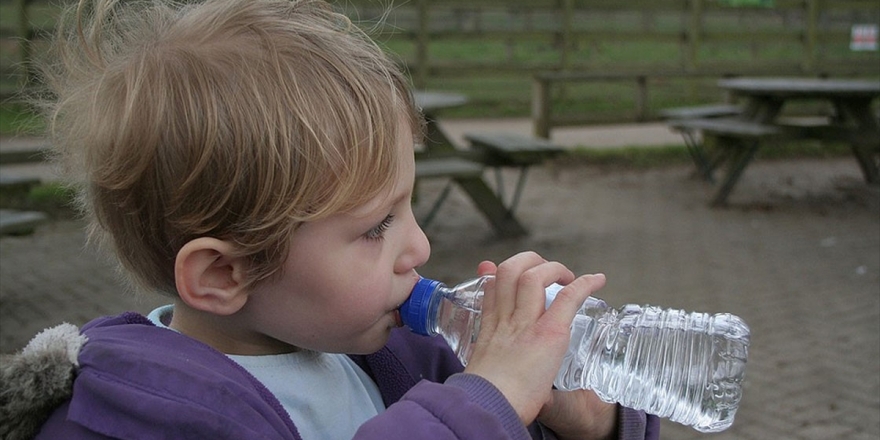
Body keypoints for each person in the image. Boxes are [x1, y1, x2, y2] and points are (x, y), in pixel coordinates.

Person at [1, 0, 660, 439]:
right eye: (377, 227)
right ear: (223, 273)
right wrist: (488, 397)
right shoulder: (138, 410)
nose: (420, 246)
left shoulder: (384, 357)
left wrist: (579, 421)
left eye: (408, 207)